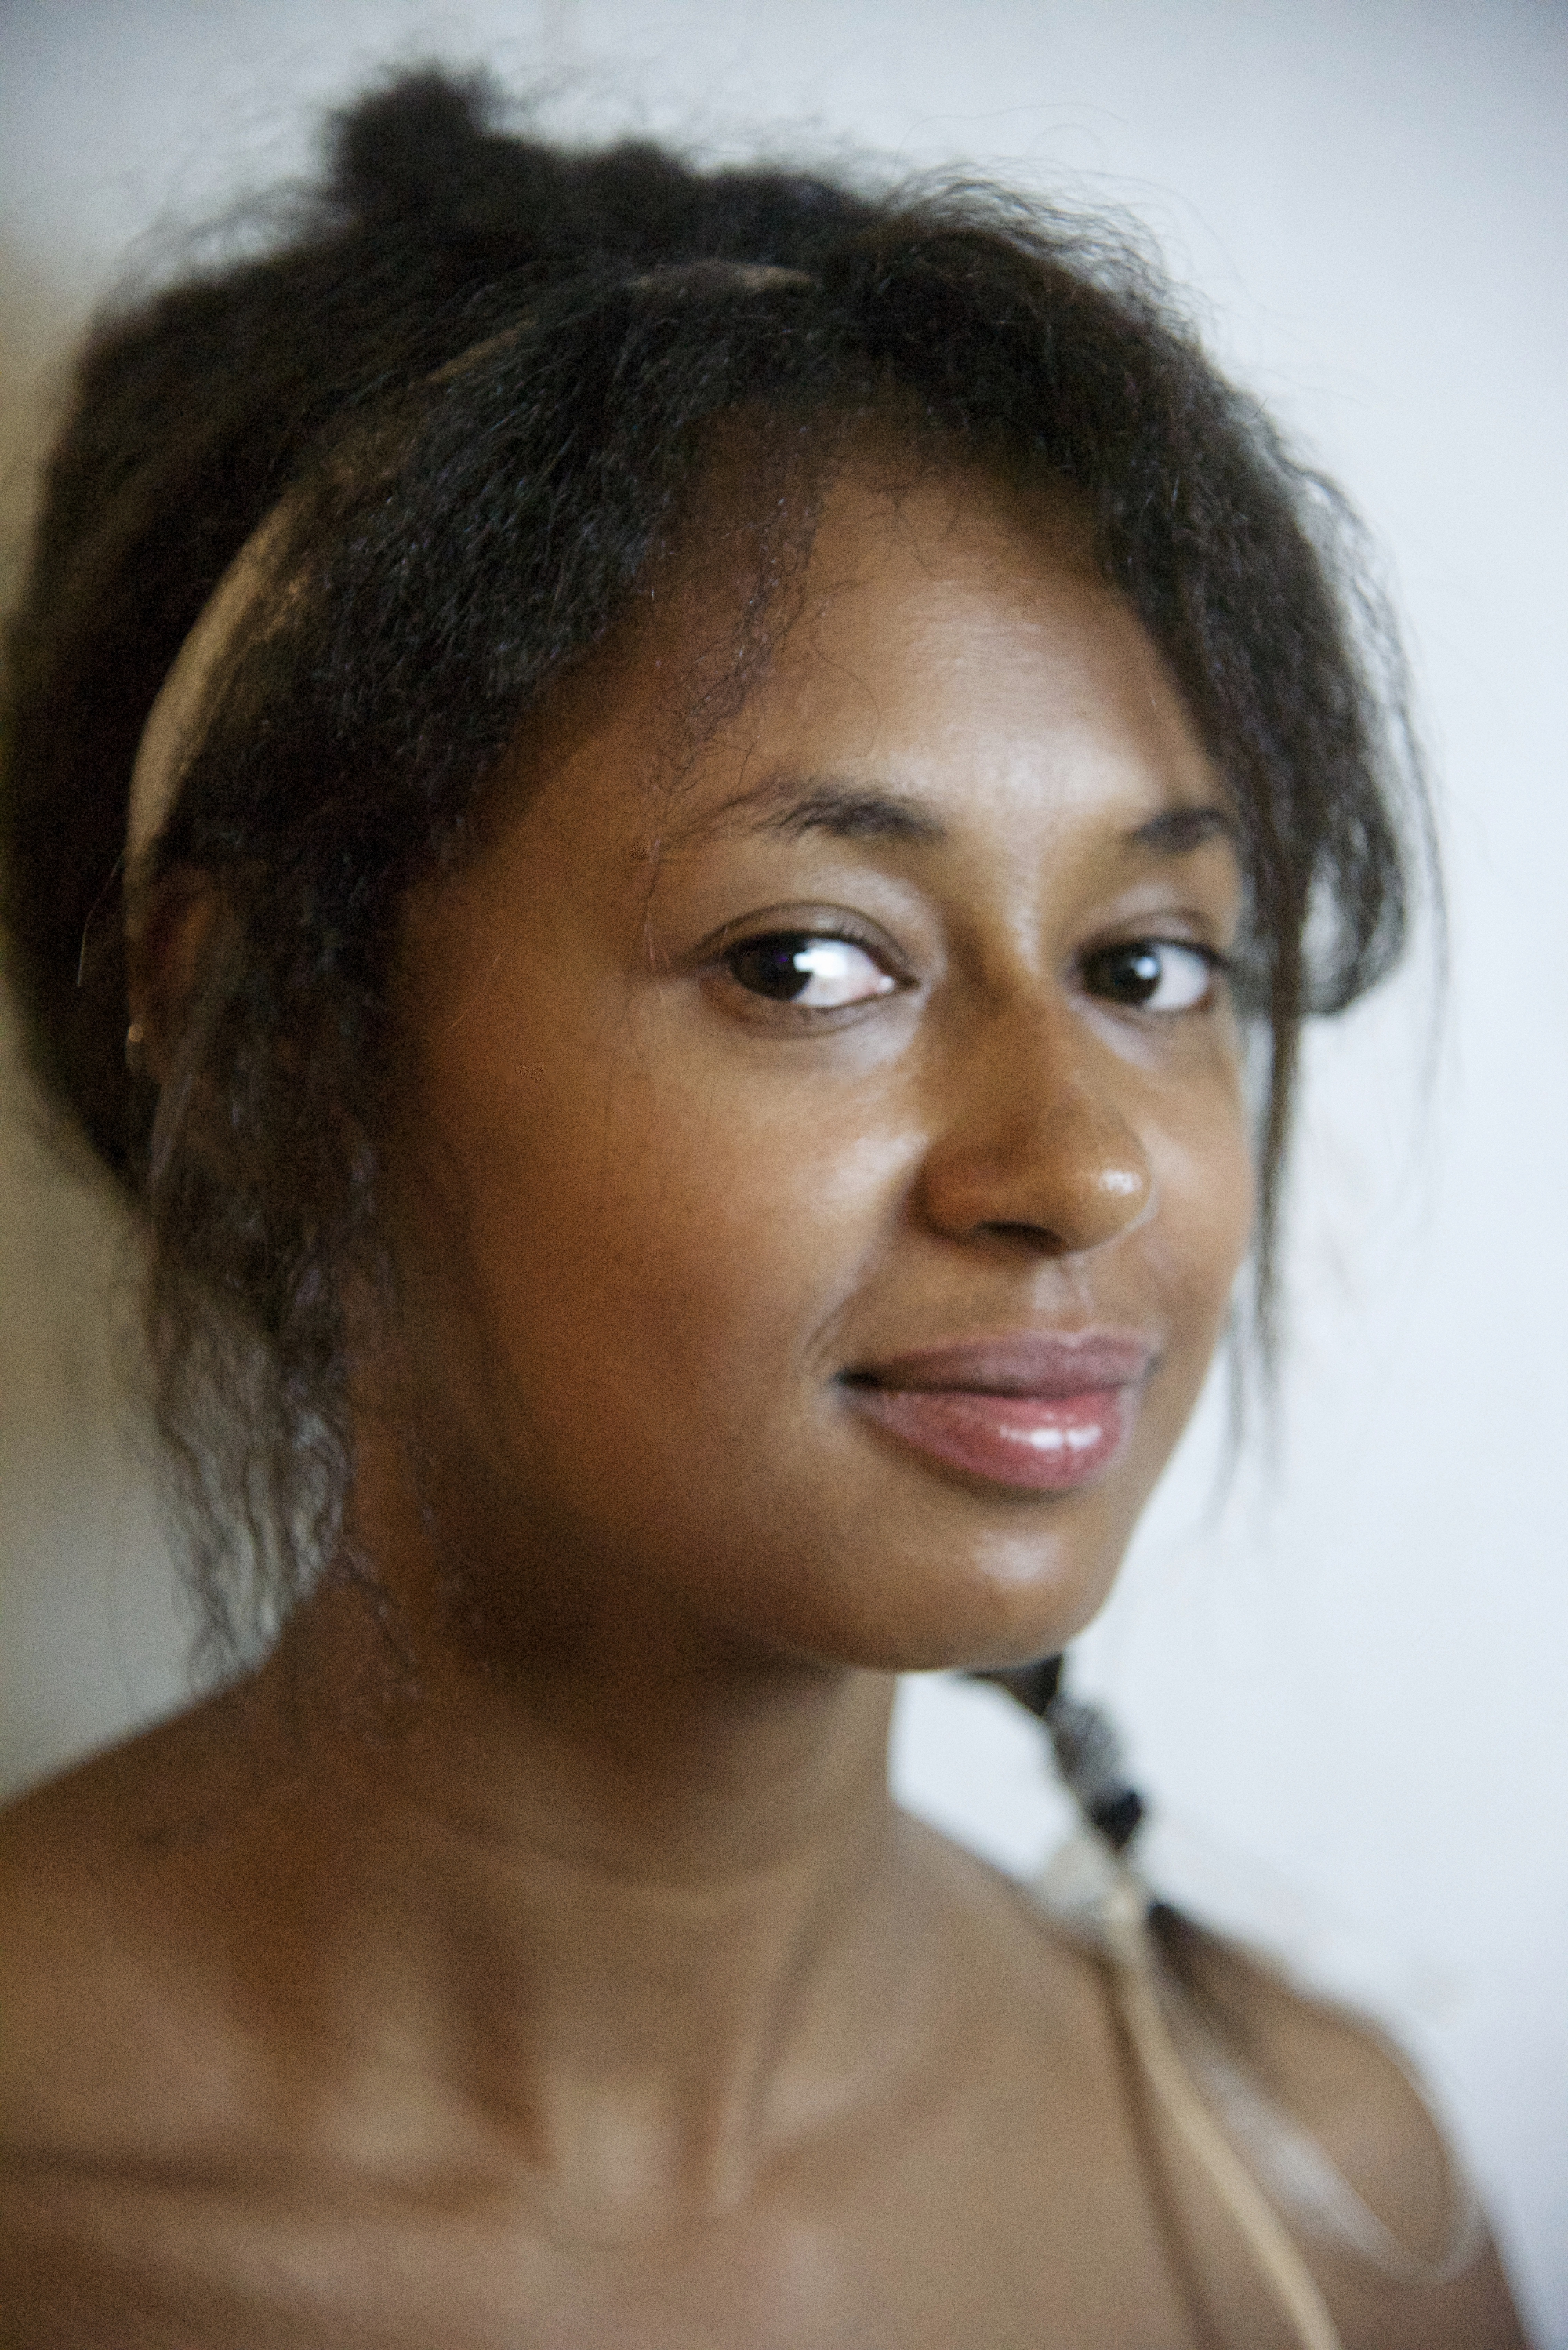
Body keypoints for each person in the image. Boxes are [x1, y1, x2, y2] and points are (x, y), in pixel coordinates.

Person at [0, 64, 1529, 2350]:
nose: (1083, 1167)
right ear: (261, 1037)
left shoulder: (1307, 2205)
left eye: (1150, 966)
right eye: (809, 960)